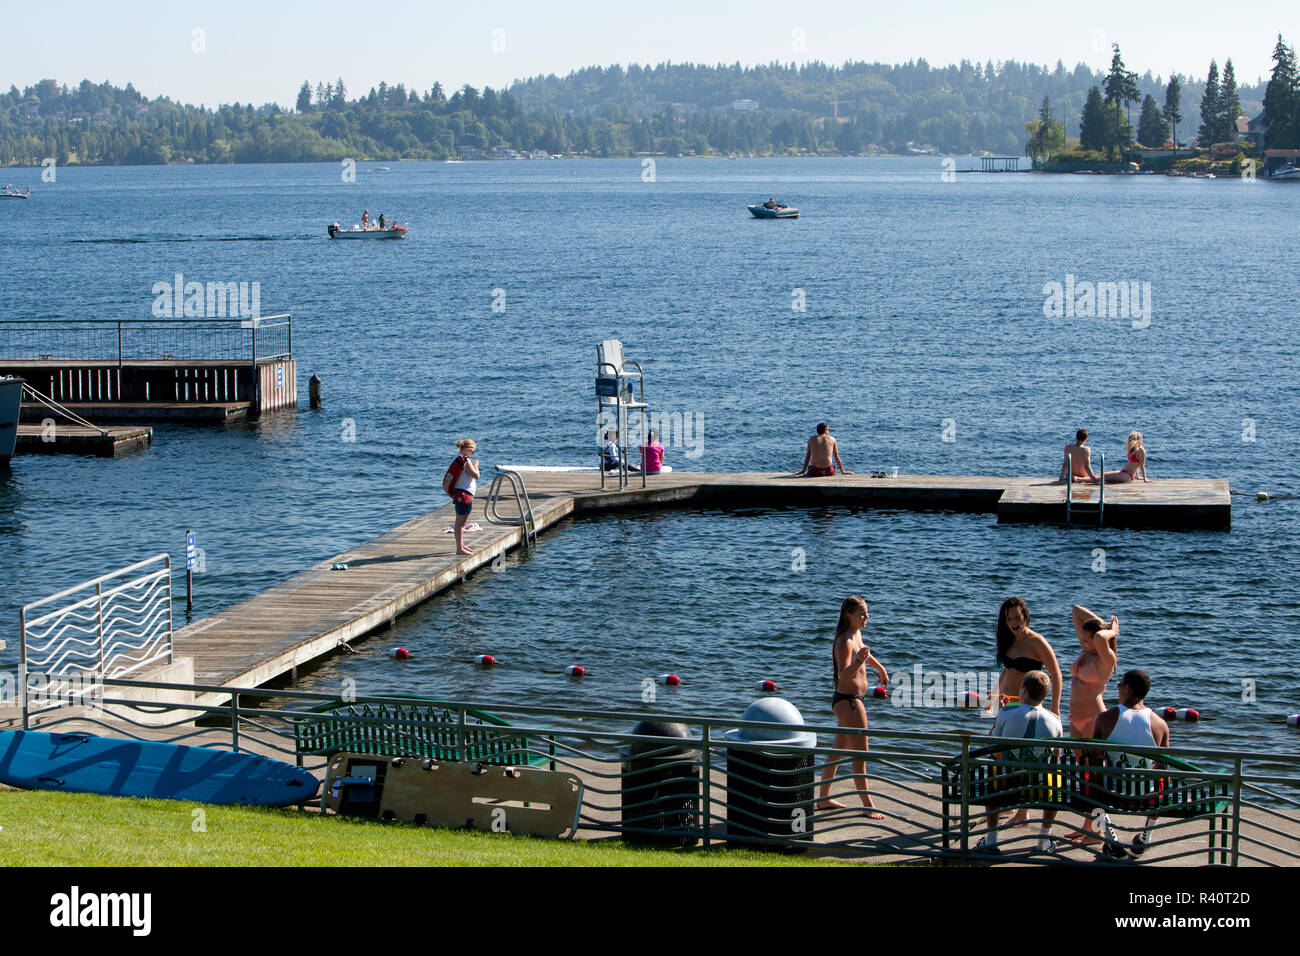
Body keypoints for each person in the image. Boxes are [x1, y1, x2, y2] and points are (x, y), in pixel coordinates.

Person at [975, 670, 1064, 855]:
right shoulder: (1055, 721)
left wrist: (999, 715)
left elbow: (992, 746)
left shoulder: (1007, 713)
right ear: (1045, 694)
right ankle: (1044, 839)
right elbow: (1056, 756)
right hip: (1039, 786)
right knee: (1056, 780)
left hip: (1007, 784)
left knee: (993, 773)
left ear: (1023, 689)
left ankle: (991, 840)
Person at [816, 596, 888, 818]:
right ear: (849, 615)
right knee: (860, 755)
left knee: (837, 751)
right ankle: (867, 805)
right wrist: (858, 661)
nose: (866, 617)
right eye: (862, 614)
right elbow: (843, 675)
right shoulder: (845, 641)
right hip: (849, 702)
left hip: (850, 701)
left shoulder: (856, 633)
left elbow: (865, 653)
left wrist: (880, 668)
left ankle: (823, 798)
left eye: (867, 613)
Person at [1086, 669, 1170, 857]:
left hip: (1112, 792)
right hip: (1146, 795)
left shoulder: (1106, 718)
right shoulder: (1160, 724)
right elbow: (1163, 769)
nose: (1118, 688)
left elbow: (1093, 762)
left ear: (1128, 689)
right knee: (1162, 783)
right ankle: (1145, 838)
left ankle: (1111, 840)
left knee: (1090, 780)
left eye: (1120, 684)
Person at [449, 438, 480, 555]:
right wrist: (476, 465)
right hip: (464, 495)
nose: (473, 454)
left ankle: (461, 546)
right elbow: (476, 475)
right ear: (469, 450)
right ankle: (459, 548)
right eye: (473, 451)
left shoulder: (458, 459)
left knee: (459, 523)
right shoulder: (466, 461)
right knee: (460, 523)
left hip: (459, 493)